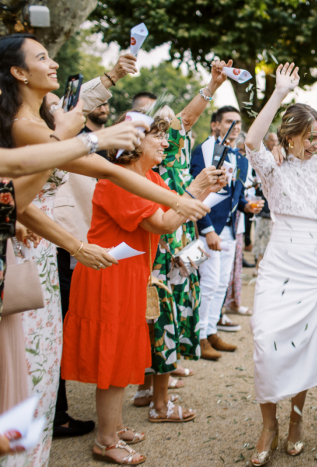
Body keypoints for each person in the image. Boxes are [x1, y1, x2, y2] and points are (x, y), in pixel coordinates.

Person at [0, 33, 208, 467]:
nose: (54, 63)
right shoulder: (27, 128)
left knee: (36, 372)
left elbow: (84, 159)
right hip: (24, 260)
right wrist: (99, 140)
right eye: (42, 57)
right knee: (28, 372)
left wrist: (177, 199)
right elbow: (31, 174)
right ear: (18, 72)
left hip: (40, 247)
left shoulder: (44, 122)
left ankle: (26, 451)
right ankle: (23, 453)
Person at [61, 115, 221, 465]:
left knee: (122, 353)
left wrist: (200, 190)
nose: (166, 143)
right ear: (134, 143)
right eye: (158, 137)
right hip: (109, 277)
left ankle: (114, 427)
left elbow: (172, 212)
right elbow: (163, 223)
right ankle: (105, 441)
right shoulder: (120, 181)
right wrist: (196, 189)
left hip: (130, 275)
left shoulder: (147, 177)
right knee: (113, 357)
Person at [243, 63, 317, 466]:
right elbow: (251, 141)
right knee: (265, 343)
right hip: (278, 264)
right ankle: (268, 424)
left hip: (311, 267)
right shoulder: (273, 170)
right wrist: (279, 92)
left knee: (304, 345)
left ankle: (296, 419)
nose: (316, 145)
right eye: (310, 138)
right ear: (289, 137)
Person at [133, 62, 232, 415]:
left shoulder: (174, 161)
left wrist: (205, 190)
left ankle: (153, 384)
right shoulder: (154, 165)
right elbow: (185, 121)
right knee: (159, 317)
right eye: (163, 128)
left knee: (167, 316)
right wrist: (211, 86)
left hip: (179, 242)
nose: (171, 132)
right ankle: (155, 397)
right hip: (160, 248)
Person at [52, 56, 137, 439]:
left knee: (55, 328)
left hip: (75, 240)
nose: (52, 62)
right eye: (41, 57)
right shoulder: (61, 133)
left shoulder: (89, 145)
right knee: (56, 326)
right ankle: (53, 416)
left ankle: (54, 414)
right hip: (57, 234)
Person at [190, 105, 262, 360]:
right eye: (229, 121)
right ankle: (197, 338)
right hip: (208, 230)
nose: (235, 127)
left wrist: (248, 206)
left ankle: (211, 332)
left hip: (231, 230)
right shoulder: (205, 150)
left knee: (221, 284)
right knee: (207, 284)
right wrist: (207, 229)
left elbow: (237, 196)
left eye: (238, 122)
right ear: (215, 125)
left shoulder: (240, 157)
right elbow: (195, 191)